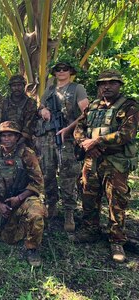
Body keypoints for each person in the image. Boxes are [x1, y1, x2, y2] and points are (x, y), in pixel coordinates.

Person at [73, 70, 139, 263]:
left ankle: (116, 239)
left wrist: (98, 142)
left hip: (115, 161)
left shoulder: (129, 106)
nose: (107, 86)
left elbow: (127, 134)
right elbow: (79, 127)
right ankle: (90, 229)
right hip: (92, 159)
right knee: (88, 194)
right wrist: (85, 142)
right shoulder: (93, 106)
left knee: (116, 200)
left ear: (119, 85)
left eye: (112, 83)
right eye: (103, 83)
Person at [0, 121, 46, 267]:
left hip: (25, 198)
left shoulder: (27, 154)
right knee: (9, 238)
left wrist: (19, 198)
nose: (6, 139)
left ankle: (32, 248)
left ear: (17, 137)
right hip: (4, 201)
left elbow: (38, 182)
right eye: (3, 136)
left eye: (10, 135)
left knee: (36, 214)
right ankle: (23, 224)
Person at [37, 60, 89, 232]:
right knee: (48, 172)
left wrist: (68, 129)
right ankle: (51, 204)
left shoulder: (77, 89)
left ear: (70, 72)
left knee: (68, 175)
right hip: (48, 138)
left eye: (64, 69)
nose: (61, 72)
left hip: (67, 138)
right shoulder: (50, 89)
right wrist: (42, 110)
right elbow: (41, 106)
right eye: (58, 69)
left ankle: (69, 212)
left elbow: (86, 113)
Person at [0, 74, 37, 147]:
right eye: (14, 86)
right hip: (4, 139)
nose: (17, 88)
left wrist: (18, 141)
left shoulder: (30, 103)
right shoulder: (3, 103)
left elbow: (29, 124)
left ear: (24, 86)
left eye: (19, 85)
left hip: (23, 141)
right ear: (10, 87)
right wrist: (1, 140)